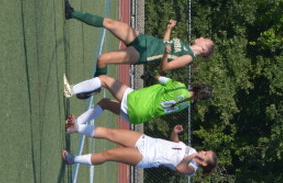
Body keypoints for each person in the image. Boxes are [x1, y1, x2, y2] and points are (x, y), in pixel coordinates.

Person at [64, 0, 215, 76]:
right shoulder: (184, 46)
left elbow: (165, 68)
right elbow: (165, 43)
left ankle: (96, 84)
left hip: (143, 53)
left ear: (203, 48)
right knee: (110, 23)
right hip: (144, 40)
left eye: (205, 40)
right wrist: (169, 29)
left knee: (102, 59)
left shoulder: (188, 57)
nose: (201, 37)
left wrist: (166, 53)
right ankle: (71, 13)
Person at [61, 122, 216, 176]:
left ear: (204, 163)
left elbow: (180, 167)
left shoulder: (192, 170)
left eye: (205, 154)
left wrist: (192, 156)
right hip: (146, 140)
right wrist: (175, 133)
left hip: (146, 156)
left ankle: (72, 159)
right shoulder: (192, 150)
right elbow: (175, 145)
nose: (203, 151)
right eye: (205, 151)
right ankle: (76, 127)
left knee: (109, 154)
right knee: (111, 133)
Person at [62, 73, 213, 124]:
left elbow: (160, 78)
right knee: (105, 103)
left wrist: (151, 76)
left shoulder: (180, 86)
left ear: (198, 86)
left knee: (104, 79)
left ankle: (71, 90)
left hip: (136, 102)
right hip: (140, 117)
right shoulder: (186, 105)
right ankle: (74, 125)